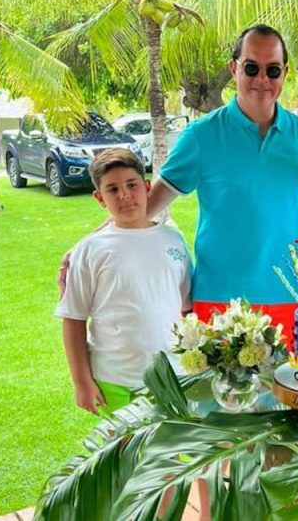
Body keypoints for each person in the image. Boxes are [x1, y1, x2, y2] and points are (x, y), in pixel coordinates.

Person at [144, 25, 298, 337]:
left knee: (291, 388)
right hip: (221, 301)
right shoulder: (201, 136)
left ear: (285, 73)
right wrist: (92, 245)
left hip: (292, 299)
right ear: (233, 69)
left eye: (273, 70)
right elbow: (142, 208)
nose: (262, 79)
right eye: (251, 68)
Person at [55, 148, 192, 415]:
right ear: (99, 198)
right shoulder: (90, 250)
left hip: (172, 379)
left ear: (147, 186)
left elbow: (186, 310)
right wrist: (81, 382)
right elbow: (73, 319)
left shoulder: (174, 241)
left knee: (170, 456)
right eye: (112, 189)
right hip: (115, 383)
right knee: (125, 455)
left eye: (131, 185)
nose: (125, 195)